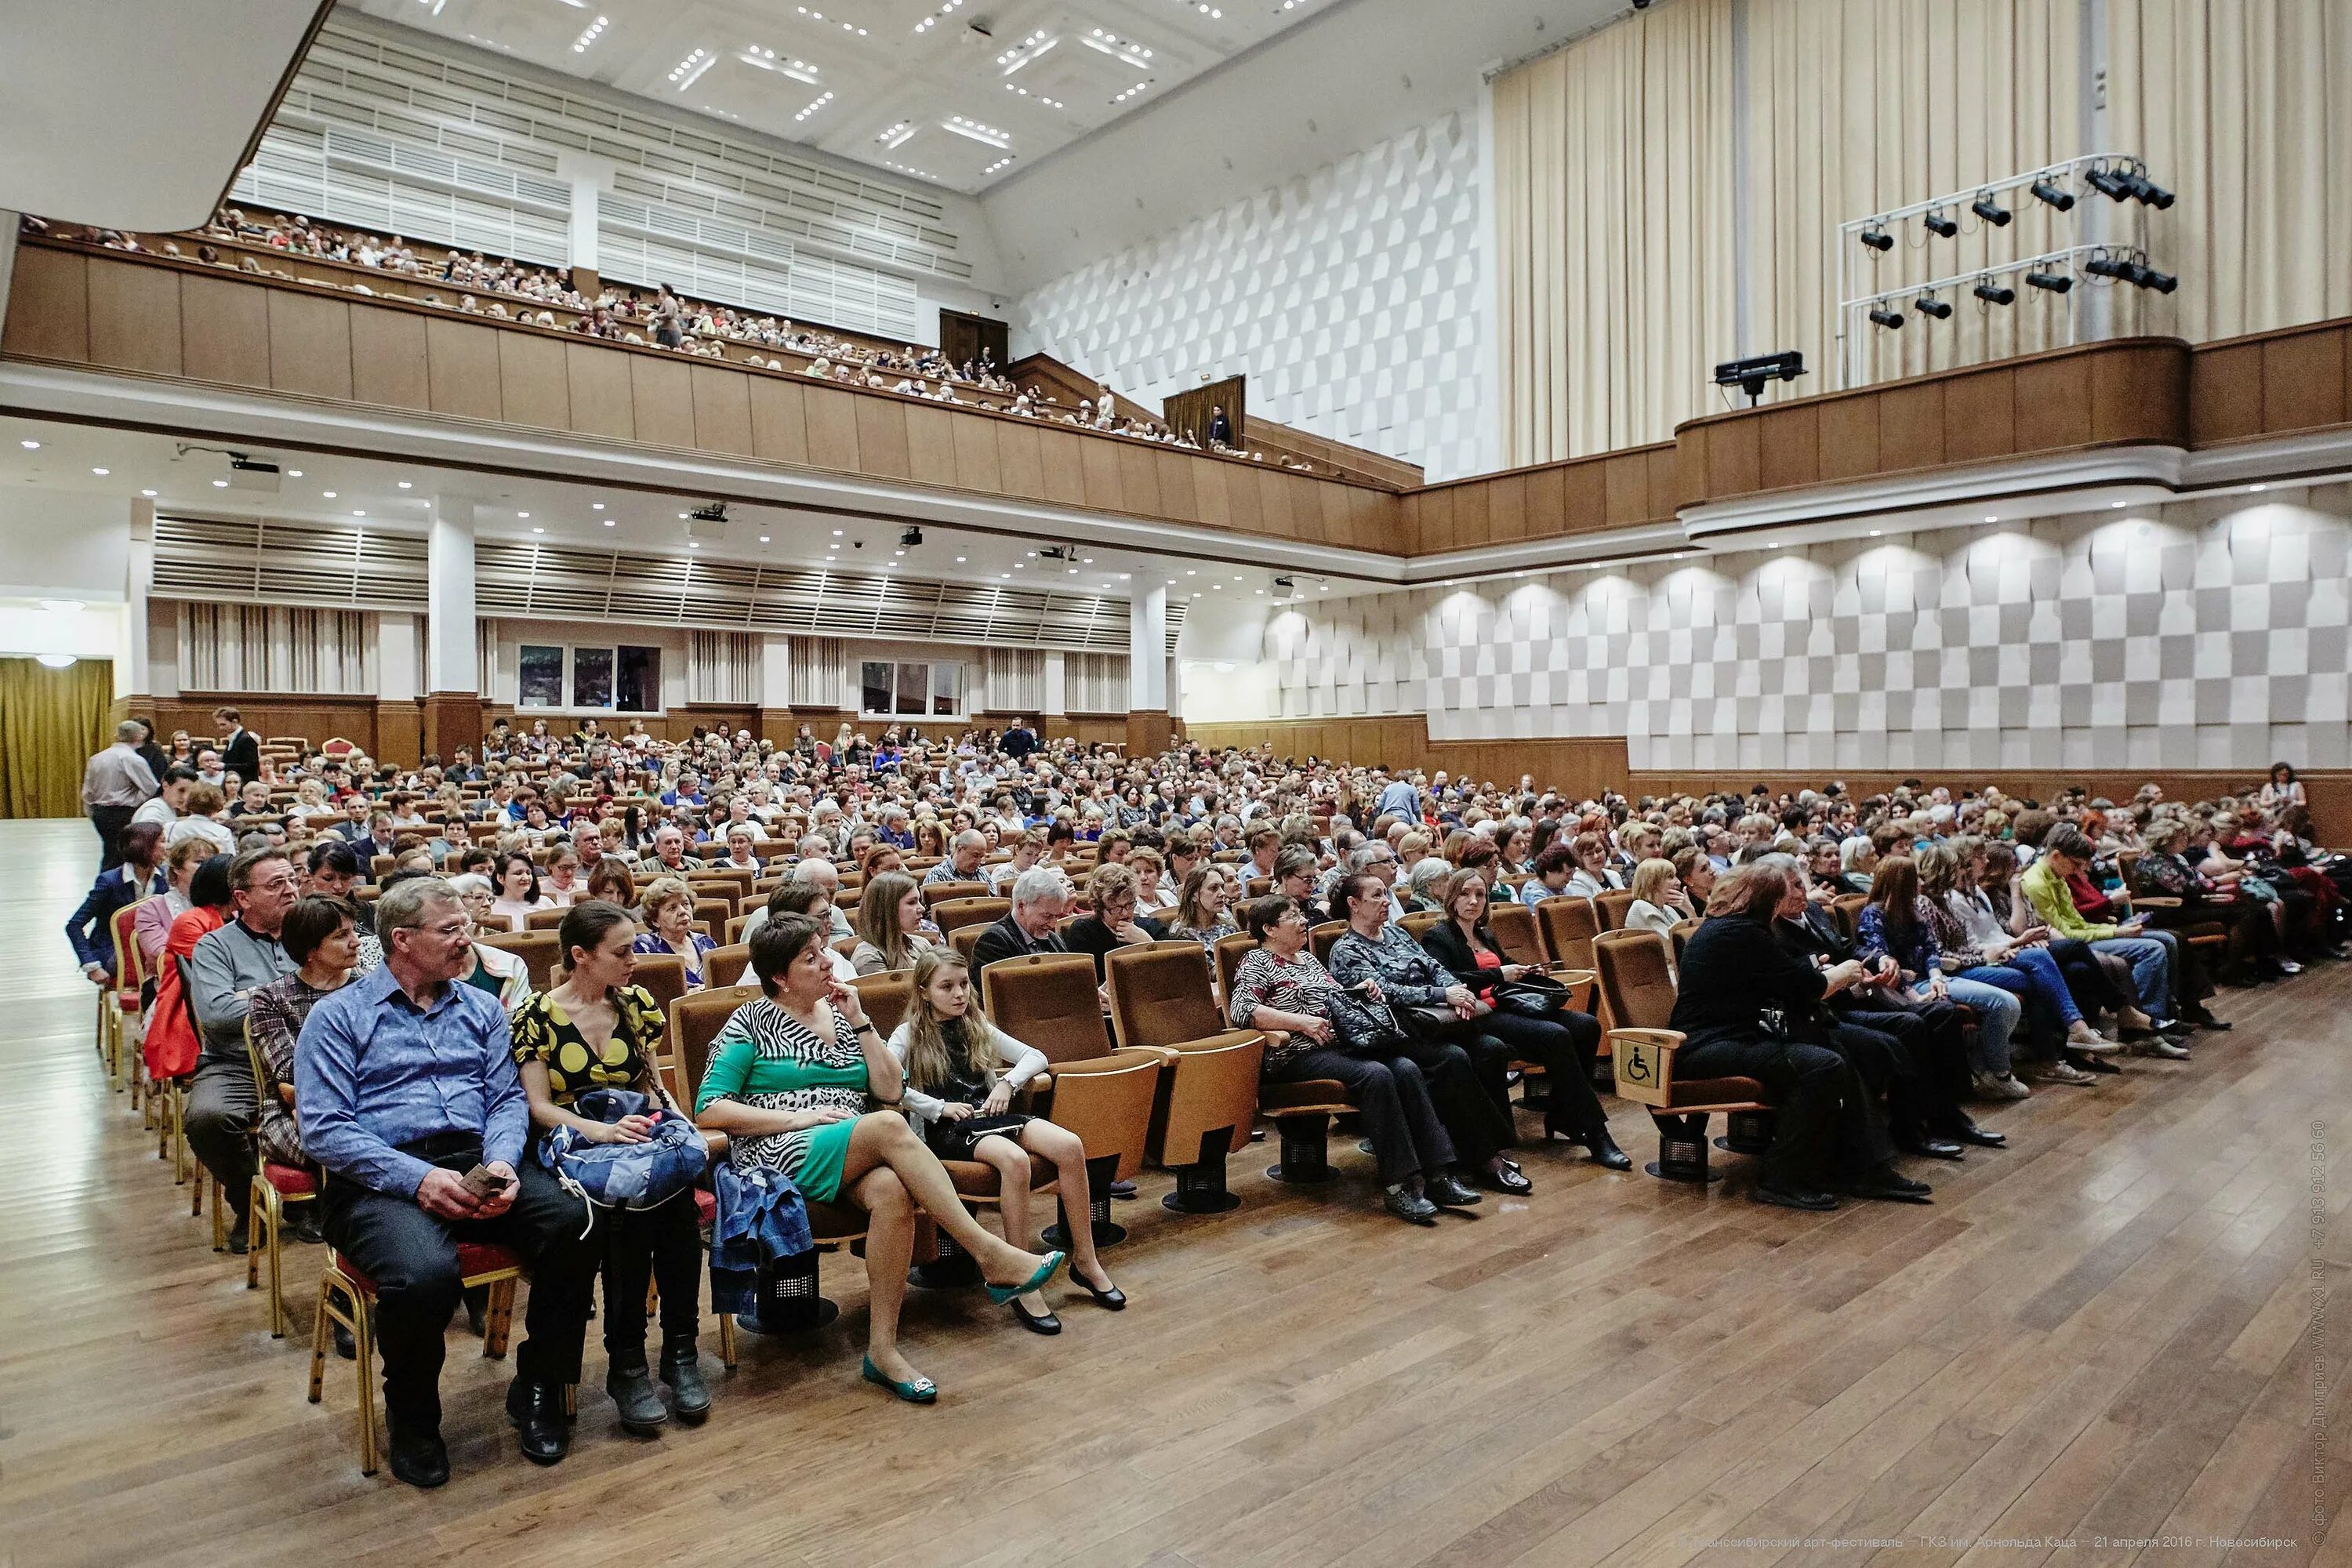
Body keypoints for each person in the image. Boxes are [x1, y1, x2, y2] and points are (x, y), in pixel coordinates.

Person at [296, 877, 603, 1487]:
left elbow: (507, 1102)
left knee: (574, 1222)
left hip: (474, 1155)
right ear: (402, 940)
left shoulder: (483, 1008)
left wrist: (504, 1162)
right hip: (378, 1174)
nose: (468, 940)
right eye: (451, 930)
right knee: (422, 1274)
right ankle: (413, 1421)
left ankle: (540, 1385)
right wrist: (419, 1179)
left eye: (467, 925)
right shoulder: (338, 1017)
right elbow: (326, 1132)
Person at [695, 916, 1067, 1402]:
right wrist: (797, 1119)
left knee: (892, 1190)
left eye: (822, 950)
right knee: (890, 1126)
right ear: (780, 977)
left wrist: (862, 1022)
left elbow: (891, 1089)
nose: (827, 963)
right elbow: (709, 1107)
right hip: (777, 1151)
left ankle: (882, 1352)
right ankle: (989, 1253)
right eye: (810, 959)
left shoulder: (842, 1015)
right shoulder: (749, 1022)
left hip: (851, 1144)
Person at [512, 900, 711, 1435]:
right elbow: (538, 1105)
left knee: (675, 1205)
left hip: (632, 1135)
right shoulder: (536, 1015)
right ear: (581, 956)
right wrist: (598, 1130)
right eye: (621, 952)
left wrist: (669, 1121)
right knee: (631, 1214)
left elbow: (649, 1084)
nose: (634, 961)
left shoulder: (636, 1004)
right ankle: (627, 1364)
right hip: (573, 1143)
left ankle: (679, 1350)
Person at [1668, 864, 1932, 1212]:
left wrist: (1818, 972)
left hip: (1736, 1036)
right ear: (1770, 901)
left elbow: (1784, 981)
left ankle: (1859, 1165)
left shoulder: (1735, 927)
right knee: (1821, 1065)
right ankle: (1782, 1177)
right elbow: (1807, 987)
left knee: (1833, 1046)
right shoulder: (1741, 932)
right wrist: (1843, 972)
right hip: (1707, 1046)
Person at [887, 949, 1124, 1334]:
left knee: (1070, 1146)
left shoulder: (974, 1023)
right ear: (924, 991)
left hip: (989, 1115)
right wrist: (936, 1107)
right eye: (947, 986)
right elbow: (886, 1082)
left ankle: (1086, 1260)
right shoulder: (909, 1033)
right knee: (1015, 1161)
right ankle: (1020, 1274)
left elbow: (1036, 1056)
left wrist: (1006, 1082)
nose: (959, 994)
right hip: (948, 1128)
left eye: (964, 984)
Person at [1226, 895, 1475, 1225]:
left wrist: (1363, 989)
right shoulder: (1256, 961)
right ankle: (1400, 1184)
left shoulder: (1308, 961)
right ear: (1269, 929)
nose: (1303, 921)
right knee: (1376, 1075)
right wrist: (1300, 1022)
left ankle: (1439, 1175)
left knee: (1405, 1068)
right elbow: (1243, 1010)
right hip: (1295, 1055)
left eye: (1302, 914)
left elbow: (1337, 999)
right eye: (1292, 917)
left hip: (1336, 1047)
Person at [1325, 871, 1530, 1193]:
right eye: (1376, 895)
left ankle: (1486, 1148)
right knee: (1453, 1058)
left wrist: (1456, 991)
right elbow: (1384, 992)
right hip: (1393, 1032)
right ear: (1353, 904)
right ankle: (1483, 1158)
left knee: (1489, 1047)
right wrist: (1440, 995)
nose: (1386, 900)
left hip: (1431, 1023)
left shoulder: (1397, 934)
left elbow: (1435, 968)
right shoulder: (1346, 950)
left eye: (1386, 893)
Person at [1418, 868, 1628, 1168]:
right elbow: (1448, 980)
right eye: (1465, 894)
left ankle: (1563, 1112)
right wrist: (1497, 974)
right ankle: (1596, 1134)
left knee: (1586, 1025)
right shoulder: (1437, 937)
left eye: (1480, 894)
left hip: (1507, 1004)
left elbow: (1504, 966)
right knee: (1555, 1035)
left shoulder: (1484, 933)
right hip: (1478, 1014)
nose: (1473, 901)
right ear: (1451, 897)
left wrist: (1525, 970)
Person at [183, 848, 302, 1247]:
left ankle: (316, 1203)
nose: (290, 890)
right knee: (208, 1119)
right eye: (276, 884)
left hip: (310, 1059)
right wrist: (294, 996)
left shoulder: (315, 932)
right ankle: (251, 1203)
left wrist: (251, 995)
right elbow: (217, 1013)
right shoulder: (215, 946)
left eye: (292, 880)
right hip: (237, 1062)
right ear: (242, 898)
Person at [245, 894, 363, 1243]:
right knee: (341, 1139)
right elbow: (288, 1072)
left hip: (365, 1100)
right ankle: (347, 1236)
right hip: (290, 1110)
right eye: (341, 935)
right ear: (311, 949)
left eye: (353, 931)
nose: (355, 941)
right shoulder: (271, 998)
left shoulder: (369, 987)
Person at [67, 819, 165, 988]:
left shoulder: (164, 877)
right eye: (162, 841)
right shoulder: (109, 881)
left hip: (152, 948)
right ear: (145, 847)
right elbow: (74, 925)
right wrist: (91, 965)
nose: (167, 846)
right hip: (114, 951)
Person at [1060, 861, 1167, 978]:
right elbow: (1086, 980)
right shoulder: (1083, 932)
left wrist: (1148, 944)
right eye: (1116, 908)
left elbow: (1177, 964)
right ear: (1099, 908)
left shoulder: (1149, 925)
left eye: (1130, 904)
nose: (1125, 912)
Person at [82, 720, 160, 869]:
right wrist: (136, 802)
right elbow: (151, 787)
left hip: (100, 812)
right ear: (139, 737)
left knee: (111, 852)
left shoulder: (97, 758)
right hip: (122, 812)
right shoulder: (132, 759)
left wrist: (92, 811)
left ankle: (108, 885)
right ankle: (109, 888)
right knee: (119, 857)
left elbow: (88, 791)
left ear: (117, 735)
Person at [971, 866, 1070, 973]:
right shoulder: (993, 941)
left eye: (1056, 916)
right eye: (1047, 916)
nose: (1052, 924)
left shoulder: (1054, 939)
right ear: (1021, 906)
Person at [633, 877, 718, 988]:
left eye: (685, 904)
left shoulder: (706, 942)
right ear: (655, 920)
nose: (683, 911)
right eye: (672, 908)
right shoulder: (645, 947)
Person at [851, 870, 933, 976]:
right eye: (911, 902)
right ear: (887, 909)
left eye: (919, 901)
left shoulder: (922, 944)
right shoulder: (868, 957)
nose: (921, 909)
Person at [1163, 863, 1238, 953]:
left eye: (1222, 887)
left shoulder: (1229, 924)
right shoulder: (1181, 933)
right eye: (1214, 888)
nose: (1223, 893)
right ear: (1194, 896)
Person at [488, 851, 553, 931]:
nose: (526, 878)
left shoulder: (546, 903)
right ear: (500, 878)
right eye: (518, 873)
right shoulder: (490, 906)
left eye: (528, 873)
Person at [214, 706, 260, 787]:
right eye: (219, 725)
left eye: (223, 724)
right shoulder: (234, 738)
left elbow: (251, 765)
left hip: (244, 784)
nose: (220, 728)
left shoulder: (246, 740)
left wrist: (224, 766)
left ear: (234, 722)